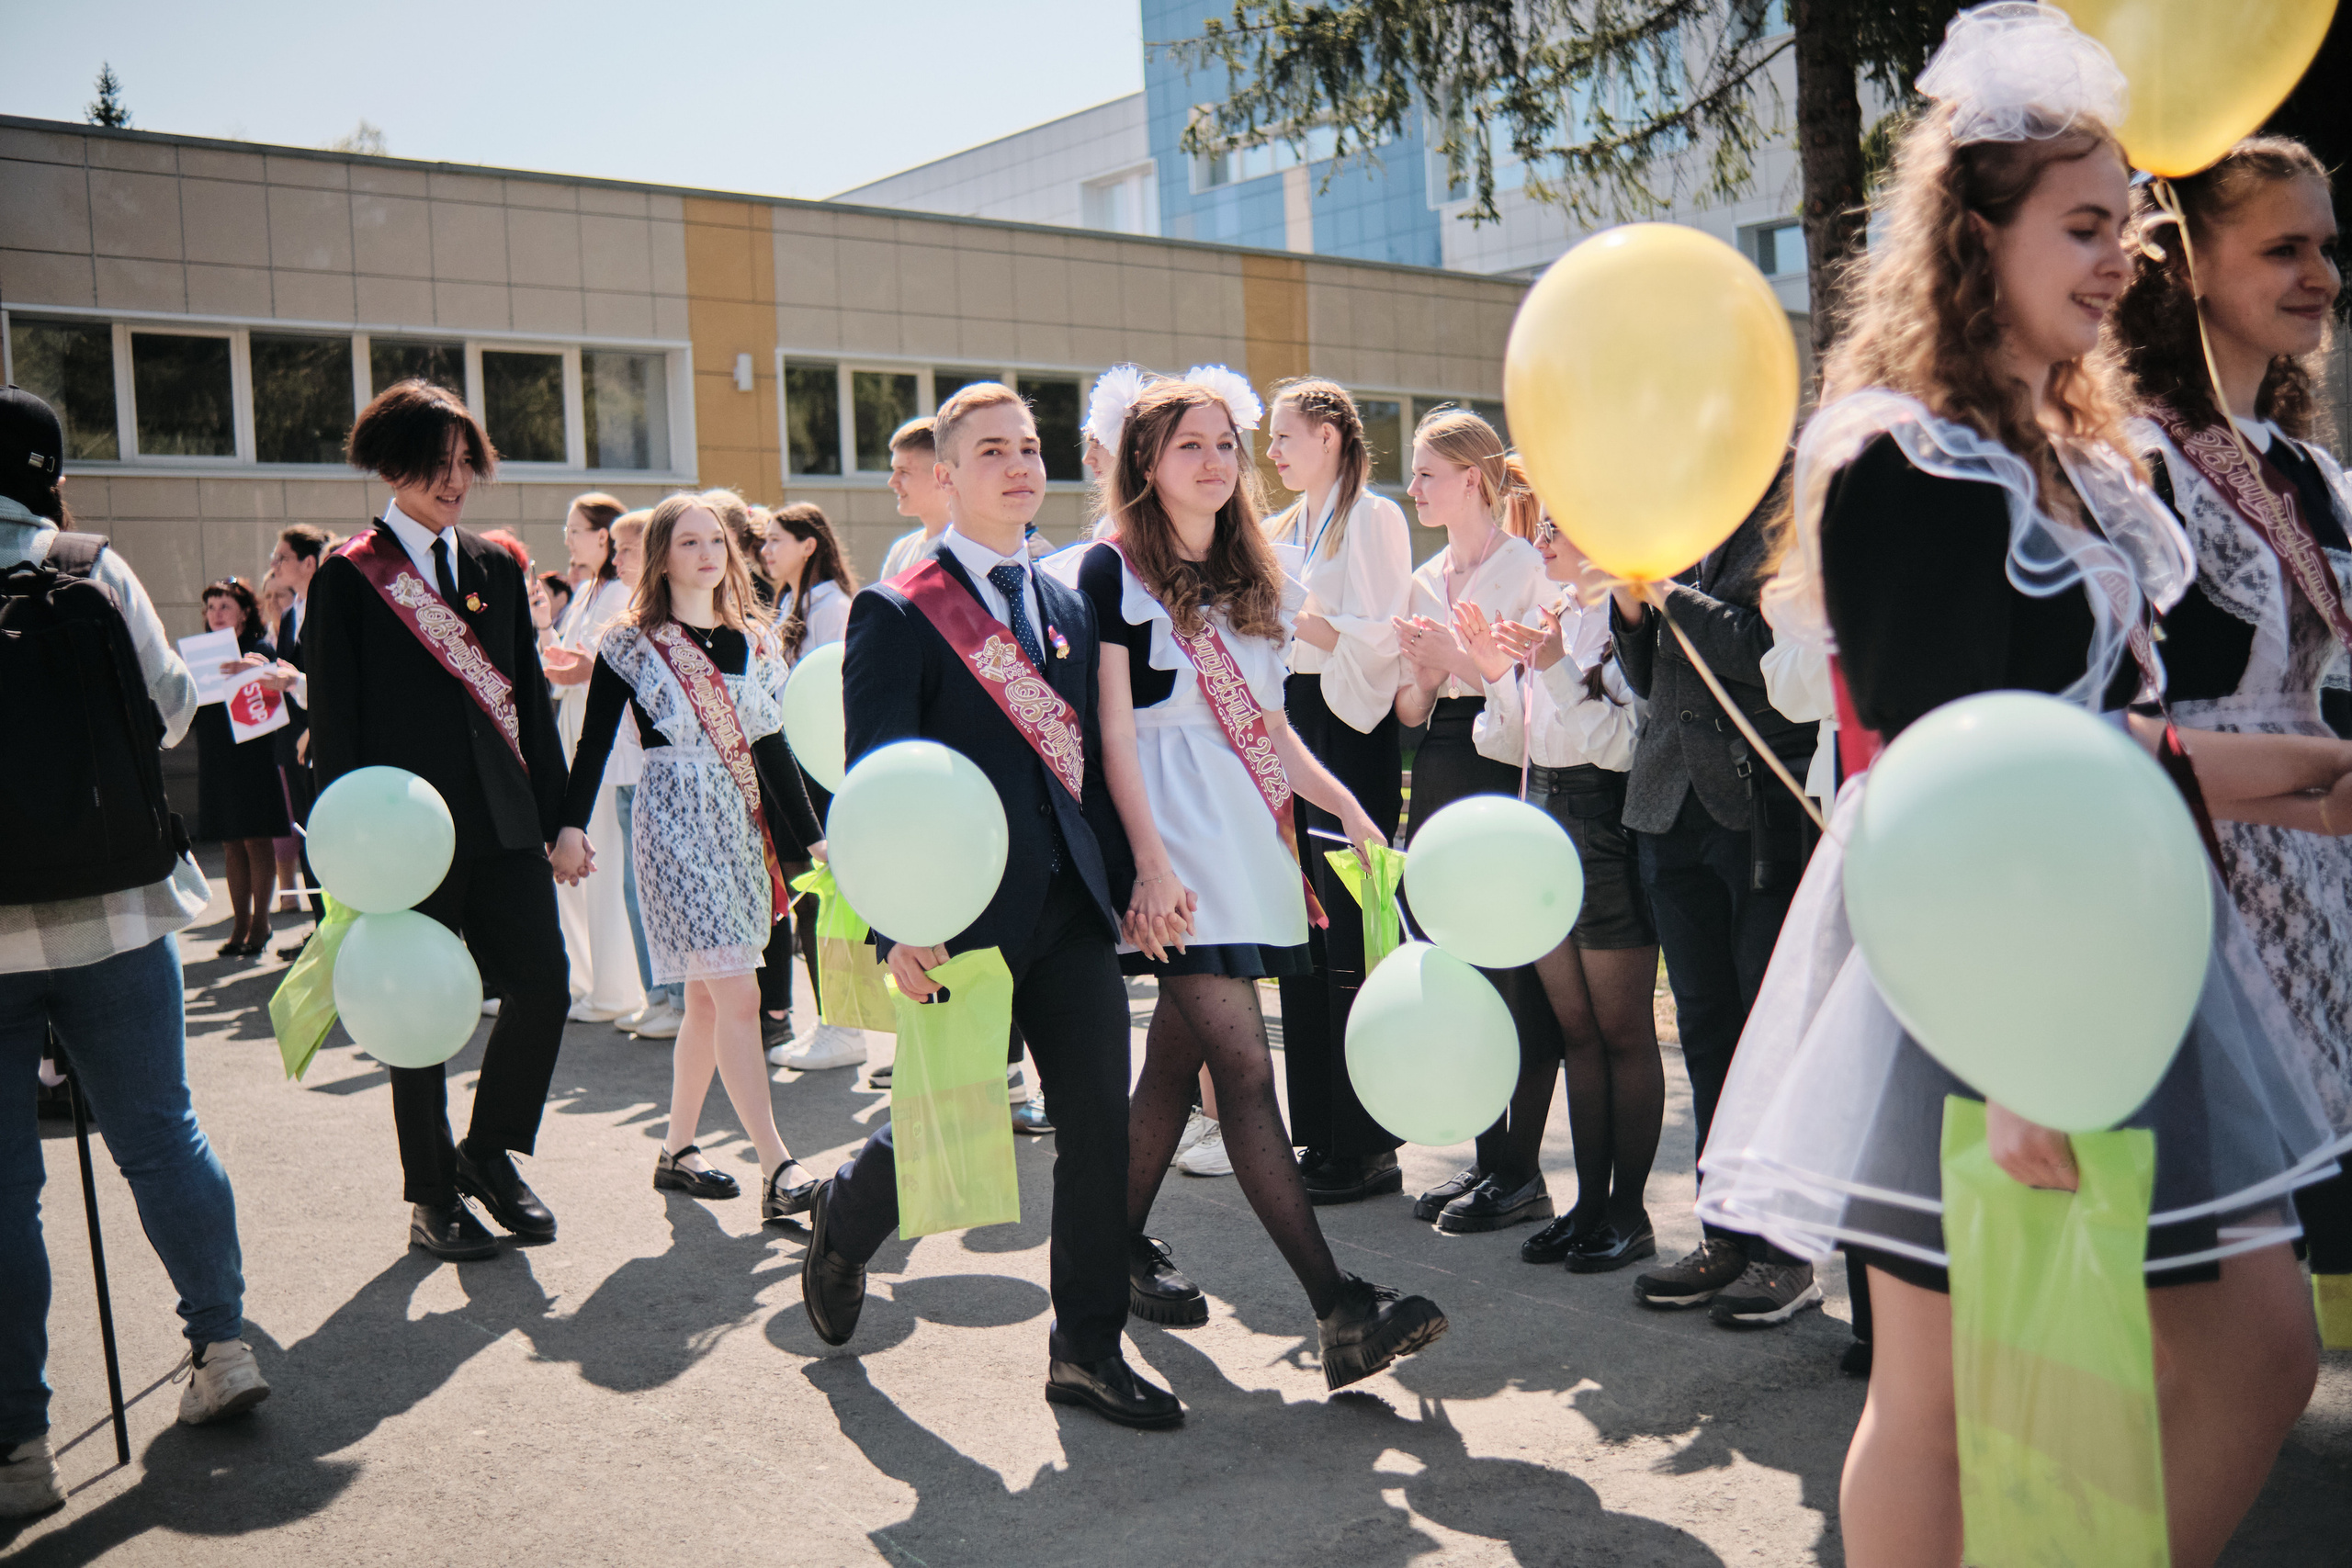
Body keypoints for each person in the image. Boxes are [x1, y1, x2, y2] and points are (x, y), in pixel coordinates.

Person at [1692, 13, 2352, 1562]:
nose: (2119, 257)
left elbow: (2113, 733)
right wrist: (2010, 1056)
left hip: (2128, 945)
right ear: (1970, 233)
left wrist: (2311, 773)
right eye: (2080, 224)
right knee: (1948, 1397)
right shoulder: (1903, 457)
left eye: (2125, 224)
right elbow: (1947, 772)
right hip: (1976, 965)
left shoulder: (2090, 457)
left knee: (2254, 1348)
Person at [801, 382, 1180, 1428]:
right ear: (946, 477)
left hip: (1066, 916)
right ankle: (843, 1218)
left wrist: (1128, 883)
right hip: (960, 918)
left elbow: (1090, 769)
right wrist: (894, 921)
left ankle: (1086, 1351)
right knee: (942, 1128)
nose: (1020, 465)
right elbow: (873, 783)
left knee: (1098, 1127)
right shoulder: (900, 606)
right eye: (991, 452)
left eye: (1029, 447)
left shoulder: (1064, 601)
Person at [1082, 375, 1450, 1385]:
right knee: (1242, 1069)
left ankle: (1107, 1248)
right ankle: (1337, 1308)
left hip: (1244, 834)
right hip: (1170, 841)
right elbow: (1112, 732)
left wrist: (1350, 810)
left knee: (1172, 1063)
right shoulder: (1110, 573)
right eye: (1186, 446)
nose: (1212, 462)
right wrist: (1147, 865)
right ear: (1144, 464)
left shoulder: (1262, 572)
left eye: (1223, 444)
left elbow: (1273, 732)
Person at [1, 387, 268, 1520]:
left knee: (3, 1188)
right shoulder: (88, 564)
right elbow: (166, 711)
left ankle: (20, 1446)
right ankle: (220, 1345)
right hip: (115, 909)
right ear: (49, 469)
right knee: (160, 1133)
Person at [2111, 136, 2352, 1307]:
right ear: (2190, 263)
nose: (2322, 274)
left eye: (2326, 248)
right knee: (2221, 1275)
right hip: (2199, 875)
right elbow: (2111, 723)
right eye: (2284, 249)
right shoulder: (2133, 463)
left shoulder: (2310, 471)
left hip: (2324, 874)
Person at [307, 378, 579, 1262]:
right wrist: (346, 851)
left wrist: (561, 817)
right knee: (417, 1013)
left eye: (468, 463)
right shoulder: (350, 577)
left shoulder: (497, 566)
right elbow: (337, 725)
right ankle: (431, 1195)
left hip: (501, 823)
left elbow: (530, 703)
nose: (456, 480)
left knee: (543, 982)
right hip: (401, 838)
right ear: (393, 466)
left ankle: (488, 1152)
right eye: (439, 465)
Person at [558, 496, 827, 1220]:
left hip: (739, 827)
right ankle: (777, 1165)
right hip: (672, 821)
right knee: (738, 994)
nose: (709, 553)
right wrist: (570, 826)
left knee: (709, 1001)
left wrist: (814, 839)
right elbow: (591, 745)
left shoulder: (755, 641)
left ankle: (676, 1149)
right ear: (664, 557)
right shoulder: (630, 644)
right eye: (689, 541)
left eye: (717, 541)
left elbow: (771, 749)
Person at [1605, 462, 1822, 1325]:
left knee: (1766, 1036)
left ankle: (1786, 1254)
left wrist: (1663, 593)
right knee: (1704, 1032)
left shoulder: (1790, 504)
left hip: (1756, 808)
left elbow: (1765, 654)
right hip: (1668, 806)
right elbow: (1652, 674)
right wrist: (1629, 610)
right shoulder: (1677, 507)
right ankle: (1724, 1232)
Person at [1470, 478, 1663, 1271]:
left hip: (1605, 829)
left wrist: (1548, 667)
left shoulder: (1632, 623)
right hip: (1543, 818)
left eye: (1556, 529)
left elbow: (1624, 748)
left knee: (1620, 1032)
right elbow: (1512, 739)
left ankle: (1630, 1213)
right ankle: (1586, 1204)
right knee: (1576, 1031)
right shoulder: (1558, 617)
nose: (1540, 540)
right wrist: (1493, 666)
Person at [1391, 408, 1553, 1226]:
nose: (1412, 487)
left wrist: (1461, 661)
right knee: (1461, 969)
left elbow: (1536, 690)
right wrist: (1421, 670)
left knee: (1506, 970)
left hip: (1503, 768)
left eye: (1425, 473)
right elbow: (1411, 711)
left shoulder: (1525, 564)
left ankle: (1521, 1171)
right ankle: (1490, 1163)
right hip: (1442, 765)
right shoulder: (1423, 579)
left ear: (1472, 480)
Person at [1262, 378, 1417, 1202]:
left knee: (1350, 927)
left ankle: (1365, 1142)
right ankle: (1318, 1130)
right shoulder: (1289, 522)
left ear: (1328, 434)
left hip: (1345, 728)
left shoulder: (1375, 515)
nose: (1273, 452)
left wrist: (1300, 612)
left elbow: (1384, 636)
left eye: (1285, 435)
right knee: (1305, 931)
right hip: (1297, 715)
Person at [762, 502, 866, 1071]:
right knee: (804, 897)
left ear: (809, 544)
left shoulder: (833, 606)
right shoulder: (787, 604)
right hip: (790, 765)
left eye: (776, 539)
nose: (765, 550)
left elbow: (833, 695)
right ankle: (828, 1019)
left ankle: (844, 1023)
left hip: (820, 770)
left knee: (826, 897)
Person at [544, 492, 641, 1024]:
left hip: (601, 730)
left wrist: (574, 666)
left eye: (576, 529)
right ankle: (585, 979)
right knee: (572, 855)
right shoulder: (587, 590)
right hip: (573, 720)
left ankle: (616, 988)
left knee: (603, 859)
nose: (569, 539)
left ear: (602, 537)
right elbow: (566, 655)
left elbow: (597, 665)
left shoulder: (621, 591)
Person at [600, 513, 684, 1043]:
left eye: (627, 550)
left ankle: (677, 998)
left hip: (661, 774)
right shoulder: (627, 623)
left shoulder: (672, 623)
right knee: (639, 889)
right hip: (627, 767)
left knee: (663, 889)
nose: (618, 561)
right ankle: (658, 993)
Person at [191, 576, 291, 957]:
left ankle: (261, 923)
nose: (216, 614)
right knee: (231, 841)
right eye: (211, 607)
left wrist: (253, 669)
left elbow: (272, 699)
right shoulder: (201, 655)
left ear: (244, 613)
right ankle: (239, 923)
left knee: (256, 838)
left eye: (225, 606)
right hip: (217, 756)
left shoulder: (257, 648)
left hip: (253, 757)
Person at [878, 417, 955, 581]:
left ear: (941, 476)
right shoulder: (900, 551)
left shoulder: (969, 548)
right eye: (894, 470)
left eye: (903, 472)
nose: (892, 482)